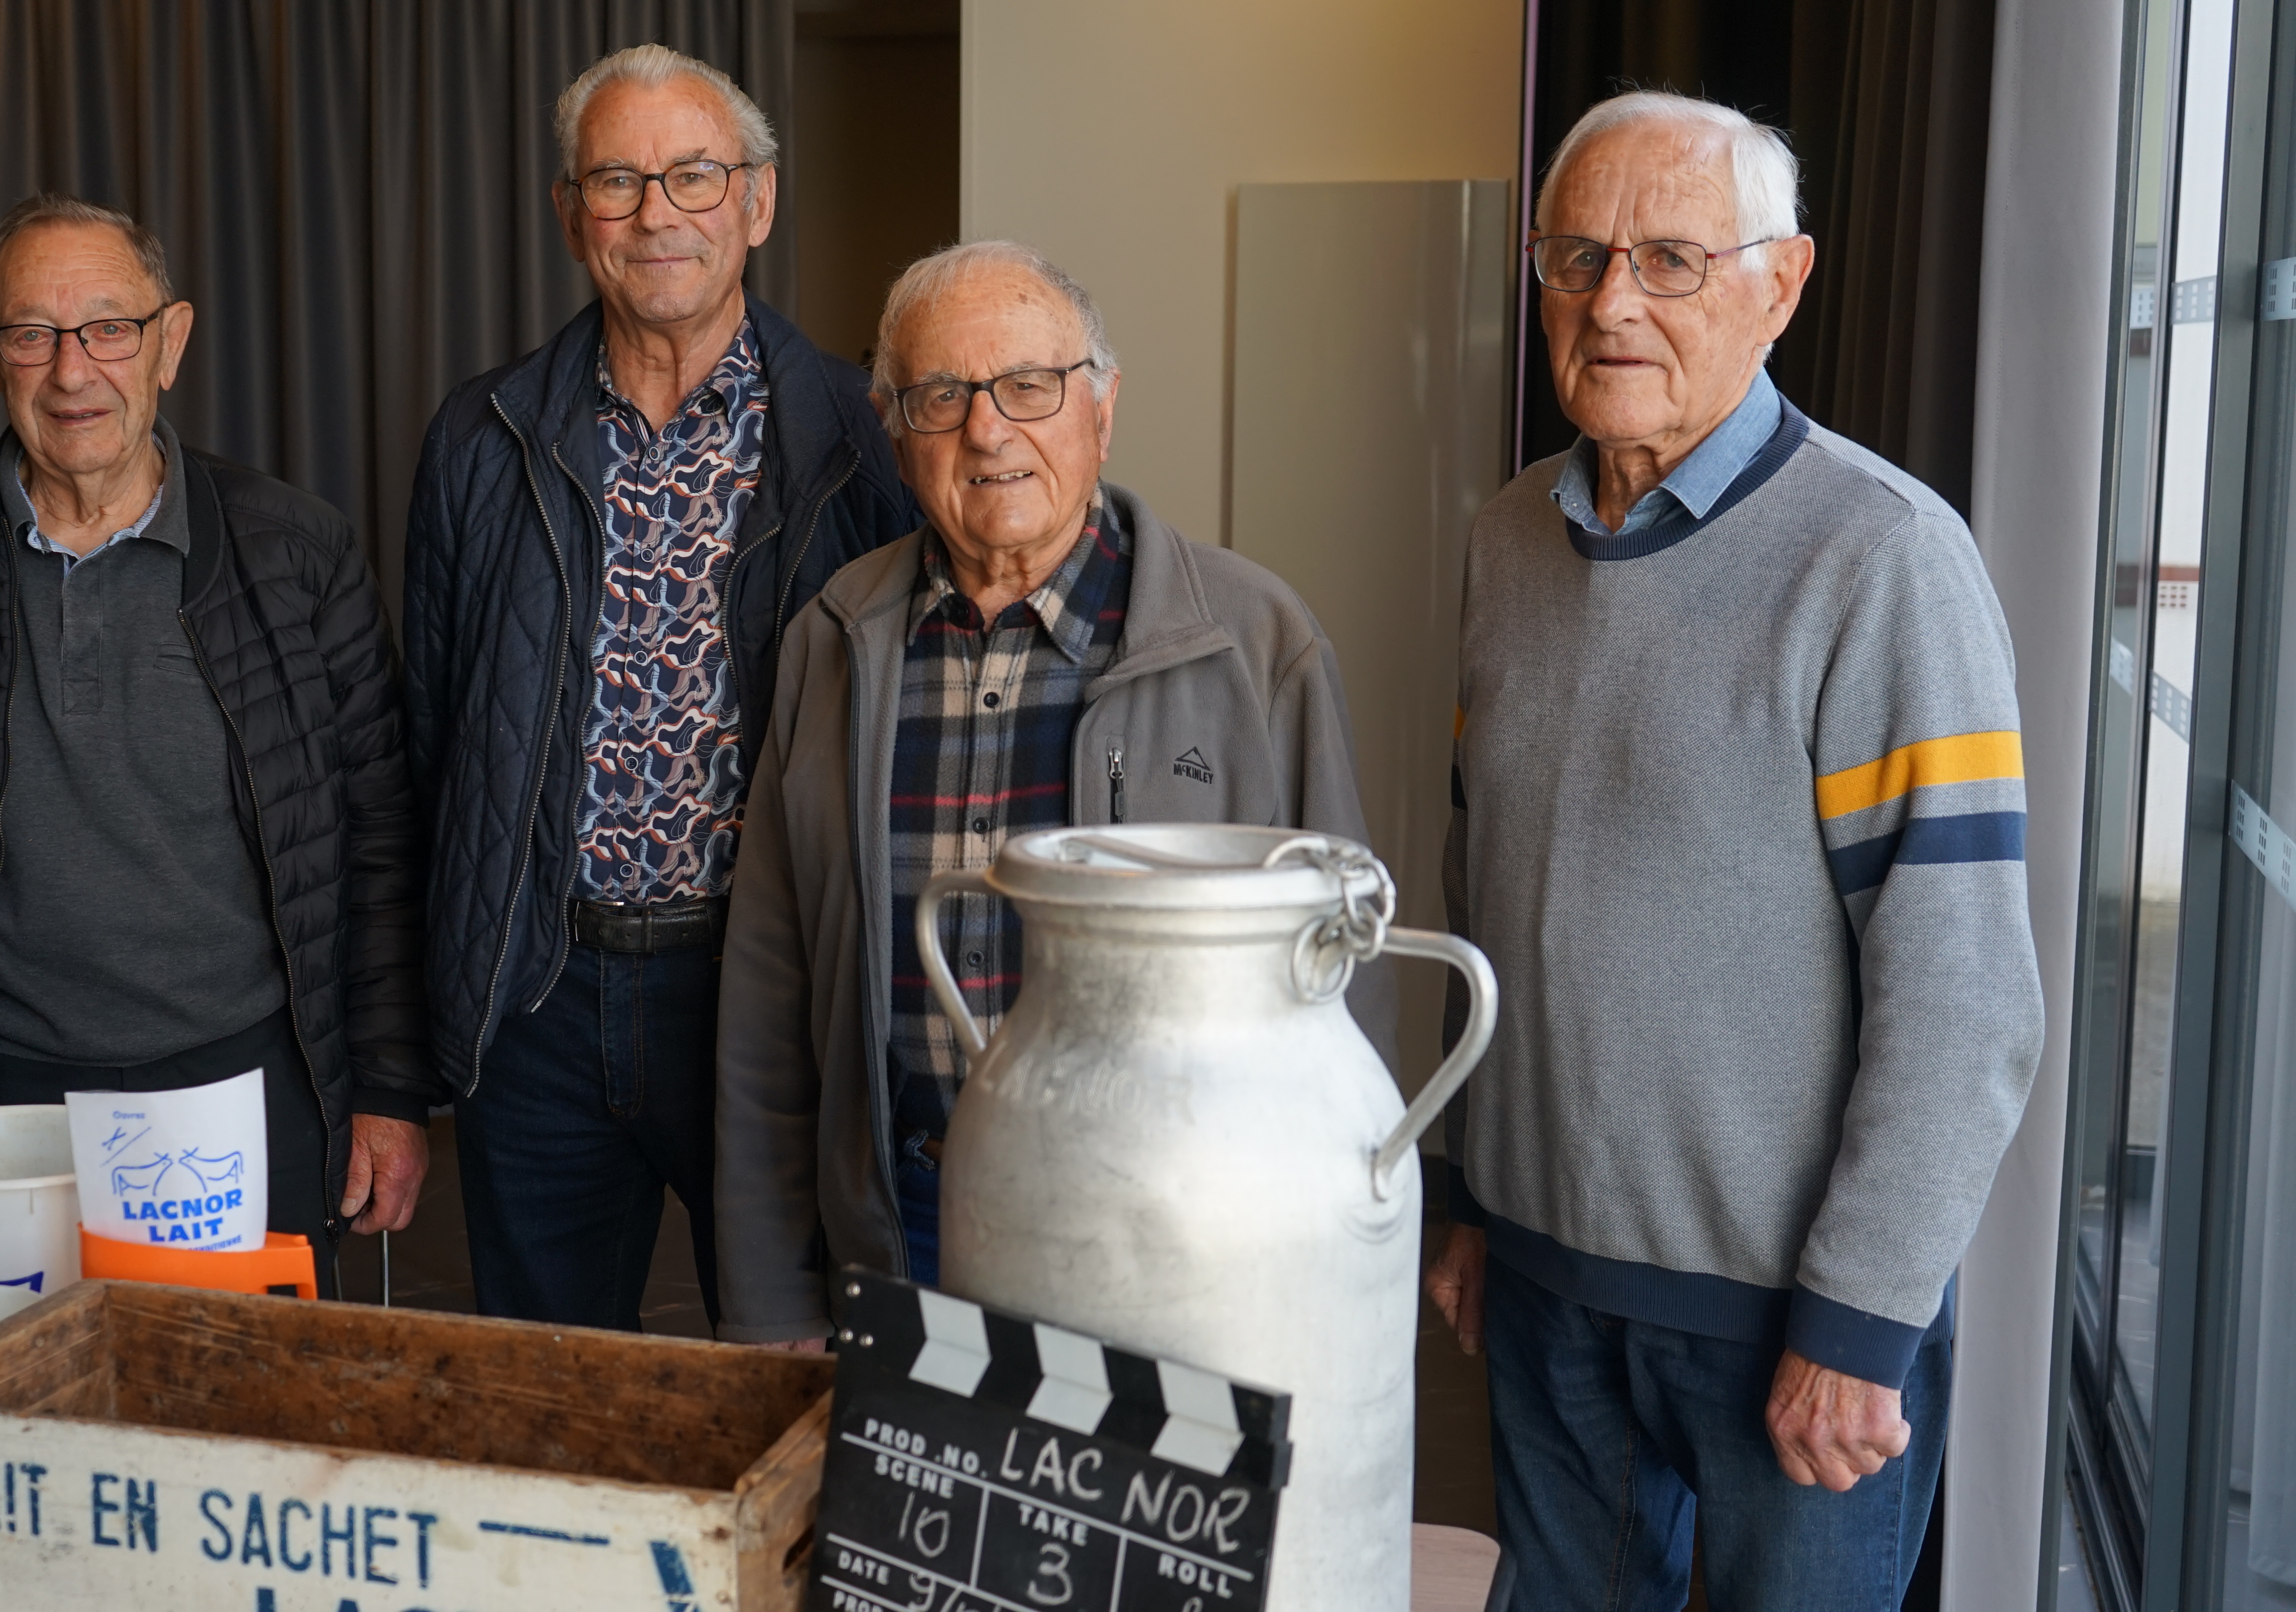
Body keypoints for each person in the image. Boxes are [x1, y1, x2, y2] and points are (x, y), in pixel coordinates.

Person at [1422, 91, 2042, 1606]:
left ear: (1784, 284)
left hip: (1790, 1316)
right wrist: (1467, 1186)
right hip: (1545, 1283)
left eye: (1673, 261)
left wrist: (1863, 1314)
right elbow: (1484, 888)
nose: (1613, 303)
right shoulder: (1506, 541)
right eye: (1577, 258)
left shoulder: (1884, 556)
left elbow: (1964, 992)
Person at [711, 241, 1396, 1346]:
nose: (988, 432)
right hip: (906, 1226)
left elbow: (1346, 987)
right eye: (943, 396)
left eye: (1030, 386)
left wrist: (1325, 1281)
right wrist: (773, 1300)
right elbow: (770, 996)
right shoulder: (832, 642)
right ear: (895, 428)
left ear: (1102, 408)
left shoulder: (1256, 644)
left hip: (1178, 1237)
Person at [0, 193, 432, 1297]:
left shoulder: (298, 550)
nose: (72, 372)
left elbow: (376, 843)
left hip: (247, 1089)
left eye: (108, 329)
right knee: (8, 1395)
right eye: (32, 335)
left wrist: (387, 1086)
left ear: (170, 343)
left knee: (235, 1394)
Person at [402, 45, 916, 1332]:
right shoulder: (481, 437)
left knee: (791, 1371)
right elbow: (430, 745)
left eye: (694, 176)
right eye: (617, 181)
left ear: (758, 201)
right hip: (539, 995)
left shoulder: (866, 438)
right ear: (571, 211)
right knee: (554, 1391)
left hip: (768, 995)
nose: (656, 215)